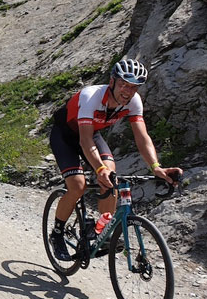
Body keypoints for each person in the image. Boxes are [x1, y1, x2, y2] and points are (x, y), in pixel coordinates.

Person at [48, 58, 183, 260]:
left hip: (92, 135)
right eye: (123, 84)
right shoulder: (91, 96)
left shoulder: (134, 102)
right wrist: (99, 169)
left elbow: (142, 137)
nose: (127, 91)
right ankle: (57, 233)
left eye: (134, 87)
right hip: (66, 136)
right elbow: (84, 140)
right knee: (77, 185)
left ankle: (103, 229)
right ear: (112, 81)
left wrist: (156, 168)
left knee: (112, 179)